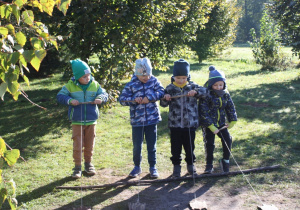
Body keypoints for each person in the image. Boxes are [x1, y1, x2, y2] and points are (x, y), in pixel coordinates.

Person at [57, 59, 108, 179]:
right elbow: (60, 96)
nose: (87, 78)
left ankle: (88, 164)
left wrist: (100, 98)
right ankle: (77, 167)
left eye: (89, 75)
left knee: (89, 144)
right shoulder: (70, 86)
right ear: (77, 77)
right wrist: (69, 100)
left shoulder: (95, 85)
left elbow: (104, 94)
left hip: (91, 121)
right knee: (78, 145)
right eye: (84, 76)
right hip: (77, 121)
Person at [160, 58, 207, 177]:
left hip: (190, 124)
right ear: (174, 77)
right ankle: (176, 166)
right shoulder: (170, 88)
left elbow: (205, 92)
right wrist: (165, 98)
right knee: (175, 147)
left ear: (187, 77)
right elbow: (163, 104)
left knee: (189, 146)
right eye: (178, 78)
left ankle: (191, 165)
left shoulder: (192, 86)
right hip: (175, 125)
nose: (181, 80)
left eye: (184, 78)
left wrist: (196, 92)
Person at [119, 58, 164, 178]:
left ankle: (153, 167)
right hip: (137, 121)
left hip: (152, 120)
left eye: (148, 74)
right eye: (143, 75)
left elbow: (162, 92)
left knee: (152, 145)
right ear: (137, 73)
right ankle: (137, 167)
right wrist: (133, 100)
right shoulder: (131, 84)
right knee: (137, 145)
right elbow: (122, 99)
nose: (146, 78)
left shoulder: (154, 81)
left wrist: (150, 97)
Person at [198, 65, 237, 174]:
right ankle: (209, 164)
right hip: (209, 125)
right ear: (211, 85)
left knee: (227, 139)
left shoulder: (225, 94)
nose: (219, 87)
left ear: (224, 84)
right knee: (209, 144)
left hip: (221, 123)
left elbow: (230, 107)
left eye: (221, 84)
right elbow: (203, 112)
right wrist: (211, 126)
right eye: (216, 85)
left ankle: (225, 160)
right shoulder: (206, 95)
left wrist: (232, 121)